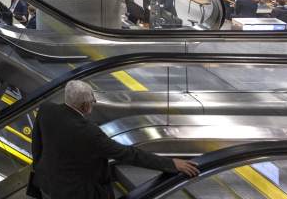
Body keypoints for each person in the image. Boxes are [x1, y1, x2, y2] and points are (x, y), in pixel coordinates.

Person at [30, 80, 197, 198]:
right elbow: (128, 154)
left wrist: (38, 166)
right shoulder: (89, 132)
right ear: (85, 106)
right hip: (76, 193)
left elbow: (37, 145)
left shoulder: (46, 110)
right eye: (92, 102)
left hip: (47, 183)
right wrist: (171, 164)